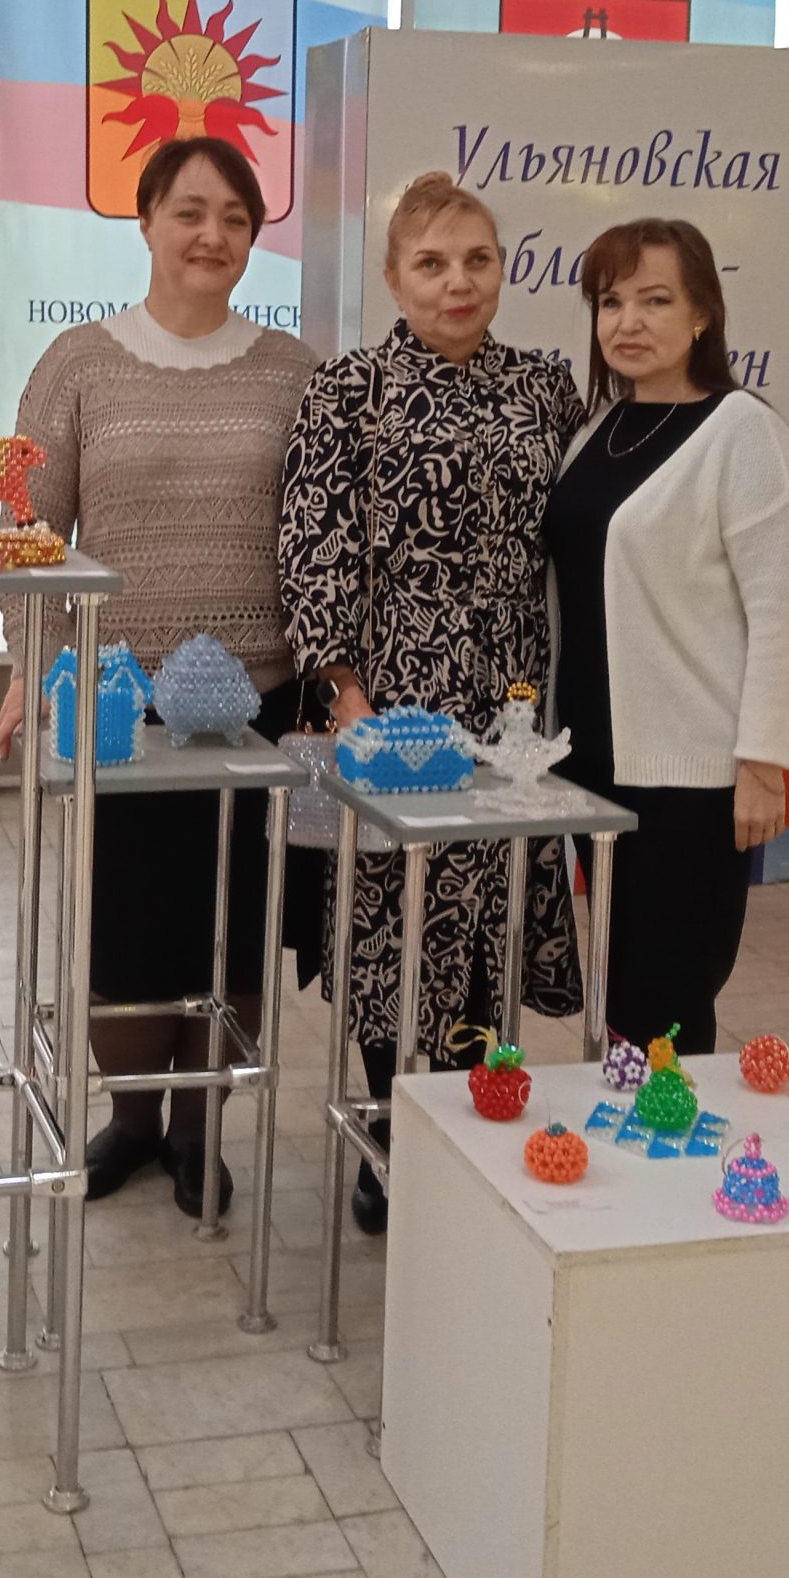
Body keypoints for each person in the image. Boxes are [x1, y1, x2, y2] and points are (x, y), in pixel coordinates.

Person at [0, 134, 328, 1217]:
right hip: (116, 710)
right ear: (144, 221)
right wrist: (31, 666)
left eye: (235, 217)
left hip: (262, 711)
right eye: (189, 211)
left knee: (235, 927)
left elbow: (323, 540)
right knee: (128, 933)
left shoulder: (295, 373)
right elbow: (26, 535)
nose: (211, 235)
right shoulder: (76, 366)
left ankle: (199, 1132)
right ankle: (134, 1121)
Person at [278, 172, 584, 1234]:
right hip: (393, 694)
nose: (458, 282)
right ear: (393, 278)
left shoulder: (545, 387)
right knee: (393, 920)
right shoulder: (349, 388)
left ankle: (479, 1114)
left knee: (494, 906)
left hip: (512, 697)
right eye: (432, 263)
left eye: (478, 260)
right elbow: (312, 547)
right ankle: (395, 1131)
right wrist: (346, 696)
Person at [543, 218, 789, 1057]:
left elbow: (778, 611)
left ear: (702, 315)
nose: (628, 322)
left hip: (688, 775)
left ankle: (670, 1128)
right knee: (617, 984)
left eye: (655, 301)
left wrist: (761, 765)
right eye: (610, 302)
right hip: (589, 760)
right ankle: (625, 1120)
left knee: (668, 992)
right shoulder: (598, 430)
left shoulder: (741, 431)